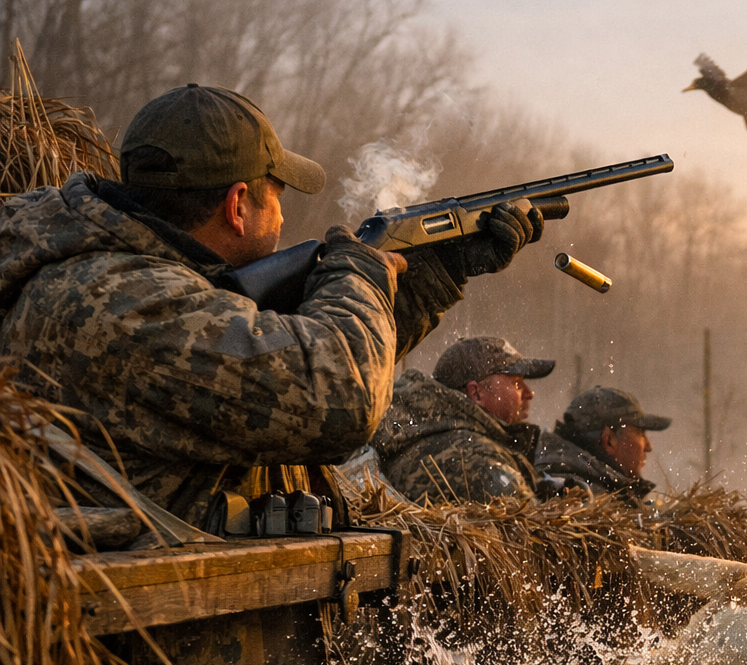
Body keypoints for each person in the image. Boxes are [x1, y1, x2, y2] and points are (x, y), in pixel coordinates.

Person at [0, 83, 540, 531]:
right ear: (238, 206)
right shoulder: (119, 301)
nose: (283, 221)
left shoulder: (133, 277)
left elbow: (280, 372)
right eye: (278, 195)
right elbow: (341, 394)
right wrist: (360, 269)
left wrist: (439, 270)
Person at [372, 336, 555, 502]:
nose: (529, 393)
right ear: (475, 393)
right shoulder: (475, 456)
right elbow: (533, 526)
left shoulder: (436, 436)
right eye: (516, 382)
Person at [536, 386, 671, 500]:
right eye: (640, 433)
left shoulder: (560, 483)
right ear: (609, 441)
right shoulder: (586, 499)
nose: (648, 446)